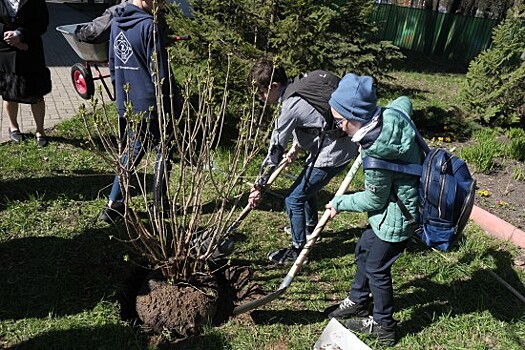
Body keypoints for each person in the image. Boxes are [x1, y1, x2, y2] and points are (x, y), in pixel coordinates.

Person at [324, 73, 423, 346]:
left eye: (340, 121)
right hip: (389, 212)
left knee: (377, 269)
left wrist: (339, 203)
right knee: (365, 250)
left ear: (355, 117)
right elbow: (404, 101)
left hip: (396, 218)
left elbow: (373, 201)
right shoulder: (391, 114)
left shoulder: (377, 154)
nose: (339, 127)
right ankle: (357, 300)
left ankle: (384, 326)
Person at [247, 57, 358, 265]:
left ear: (274, 86)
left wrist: (259, 186)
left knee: (293, 198)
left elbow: (274, 151)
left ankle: (298, 251)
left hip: (333, 153)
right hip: (340, 144)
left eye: (262, 92)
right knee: (306, 188)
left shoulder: (289, 106)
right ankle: (308, 228)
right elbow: (314, 117)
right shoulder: (300, 84)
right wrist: (296, 146)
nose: (260, 98)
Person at [98, 0, 182, 223]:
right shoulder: (149, 26)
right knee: (164, 148)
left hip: (128, 99)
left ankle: (114, 204)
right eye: (160, 1)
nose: (162, 5)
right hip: (150, 101)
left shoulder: (117, 23)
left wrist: (121, 95)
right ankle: (158, 203)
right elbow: (159, 72)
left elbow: (114, 63)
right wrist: (168, 100)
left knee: (134, 149)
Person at [0, 0, 52, 147]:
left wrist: (20, 35)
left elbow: (42, 22)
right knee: (9, 93)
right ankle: (13, 127)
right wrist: (10, 38)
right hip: (5, 51)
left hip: (30, 49)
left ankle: (40, 130)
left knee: (36, 94)